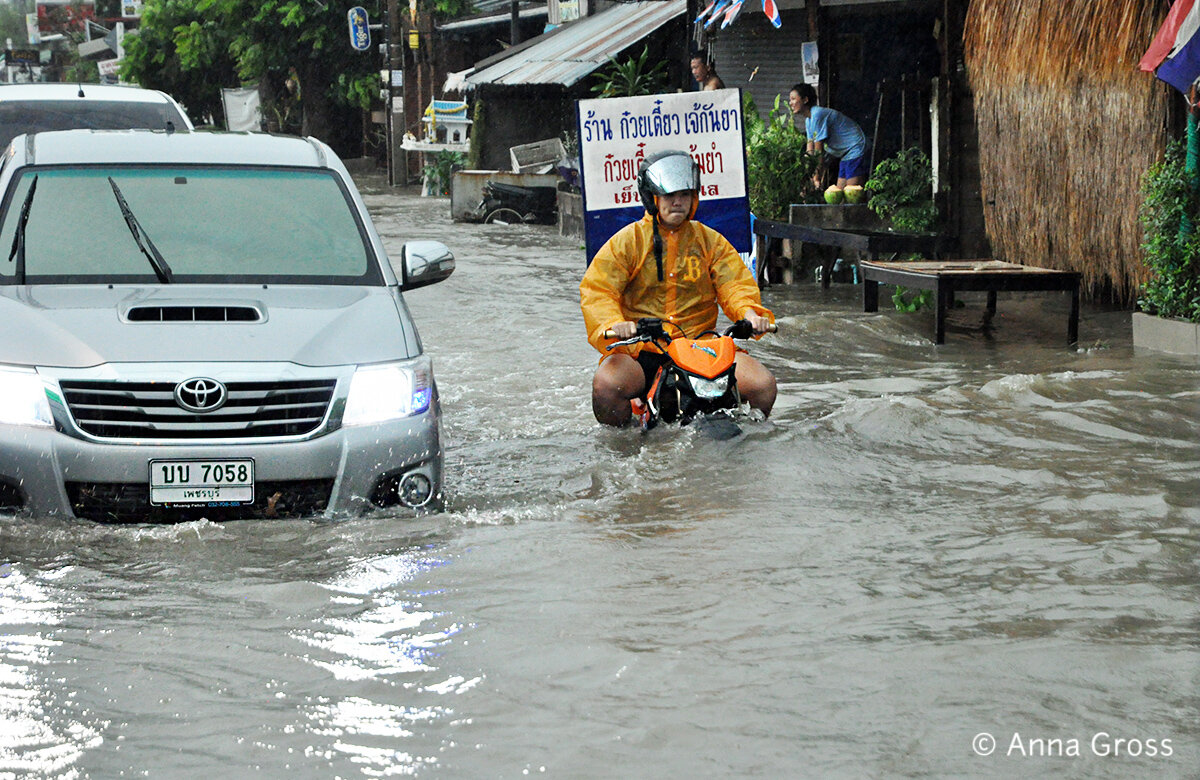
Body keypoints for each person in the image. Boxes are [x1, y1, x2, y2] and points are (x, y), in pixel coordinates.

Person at [580, 150, 776, 427]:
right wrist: (614, 323)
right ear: (653, 198)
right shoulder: (628, 241)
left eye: (684, 195)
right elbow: (599, 290)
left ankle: (748, 443)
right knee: (607, 384)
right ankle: (620, 445)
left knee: (763, 385)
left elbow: (735, 284)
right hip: (644, 347)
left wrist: (750, 314)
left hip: (701, 347)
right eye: (670, 196)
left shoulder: (710, 241)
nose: (678, 202)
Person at [788, 83, 868, 188]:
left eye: (793, 99)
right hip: (845, 154)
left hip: (855, 147)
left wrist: (817, 177)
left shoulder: (817, 115)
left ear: (805, 100)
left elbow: (818, 152)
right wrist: (809, 176)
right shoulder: (809, 120)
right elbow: (810, 151)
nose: (790, 103)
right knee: (839, 195)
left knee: (852, 193)